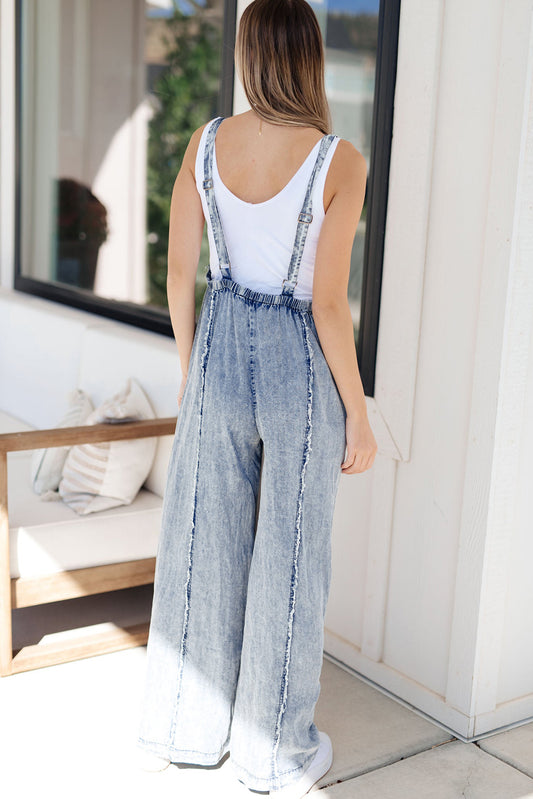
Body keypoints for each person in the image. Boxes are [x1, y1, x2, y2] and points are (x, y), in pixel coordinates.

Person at [136, 0, 377, 796]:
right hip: (297, 367)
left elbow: (178, 273)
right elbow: (328, 304)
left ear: (249, 56)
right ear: (309, 57)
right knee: (290, 553)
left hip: (217, 349)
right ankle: (272, 753)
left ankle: (183, 728)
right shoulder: (338, 160)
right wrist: (358, 412)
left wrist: (192, 371)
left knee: (200, 539)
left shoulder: (206, 142)